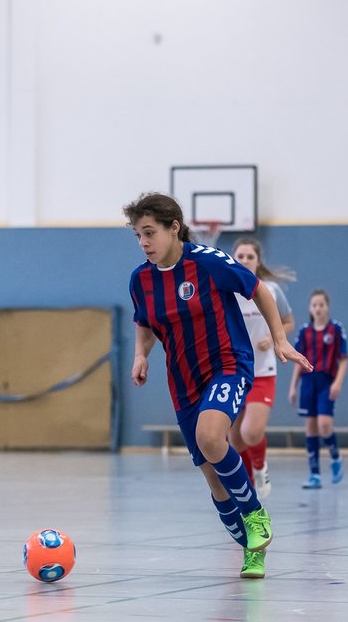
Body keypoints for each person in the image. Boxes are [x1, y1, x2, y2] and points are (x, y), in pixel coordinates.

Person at [126, 193, 310, 580]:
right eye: (138, 235)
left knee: (212, 437)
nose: (143, 242)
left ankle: (257, 512)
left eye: (149, 233)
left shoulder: (208, 262)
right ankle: (252, 550)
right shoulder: (140, 279)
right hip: (183, 381)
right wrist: (141, 355)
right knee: (212, 475)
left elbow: (258, 288)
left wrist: (279, 339)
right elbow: (144, 321)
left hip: (228, 365)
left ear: (173, 228)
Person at [229, 237, 295, 498]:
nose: (244, 260)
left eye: (250, 256)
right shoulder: (226, 291)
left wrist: (275, 337)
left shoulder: (270, 290)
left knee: (251, 432)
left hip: (262, 372)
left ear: (257, 262)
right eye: (240, 256)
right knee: (234, 440)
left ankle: (260, 466)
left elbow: (288, 322)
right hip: (233, 371)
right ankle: (248, 490)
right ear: (233, 259)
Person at [289, 289, 347, 489]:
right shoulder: (305, 332)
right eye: (314, 305)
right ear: (310, 308)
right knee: (311, 427)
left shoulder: (336, 330)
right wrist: (293, 387)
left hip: (326, 382)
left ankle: (335, 457)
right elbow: (298, 360)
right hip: (308, 383)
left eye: (321, 304)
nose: (318, 308)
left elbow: (344, 359)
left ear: (327, 307)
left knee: (324, 425)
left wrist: (337, 382)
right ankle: (314, 475)